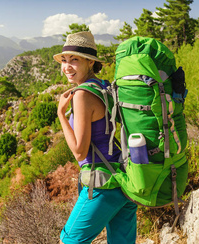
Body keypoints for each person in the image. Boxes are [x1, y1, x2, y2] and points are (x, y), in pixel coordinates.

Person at [53, 31, 137, 244]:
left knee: (70, 241)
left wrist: (61, 115)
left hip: (102, 184)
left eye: (74, 60)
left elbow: (80, 150)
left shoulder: (81, 95)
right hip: (124, 179)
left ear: (90, 62)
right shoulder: (103, 87)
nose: (67, 66)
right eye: (64, 60)